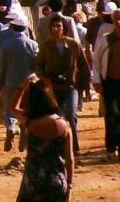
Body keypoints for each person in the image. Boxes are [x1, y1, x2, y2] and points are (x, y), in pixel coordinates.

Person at [13, 76, 74, 202]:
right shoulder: (65, 126)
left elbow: (13, 108)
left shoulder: (31, 123)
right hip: (56, 180)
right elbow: (70, 159)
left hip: (33, 181)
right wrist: (69, 185)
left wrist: (21, 88)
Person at [35, 13, 88, 155]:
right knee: (56, 116)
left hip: (71, 86)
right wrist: (44, 78)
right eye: (53, 26)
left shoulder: (73, 44)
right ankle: (58, 147)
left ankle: (74, 147)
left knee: (71, 114)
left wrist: (84, 87)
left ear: (64, 28)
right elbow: (38, 65)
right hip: (53, 87)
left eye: (58, 26)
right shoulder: (47, 46)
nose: (56, 29)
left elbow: (83, 65)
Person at [0, 11, 39, 153]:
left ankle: (10, 128)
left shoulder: (6, 44)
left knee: (9, 109)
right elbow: (36, 64)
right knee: (26, 111)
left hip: (10, 80)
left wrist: (0, 84)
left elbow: (2, 66)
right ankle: (23, 143)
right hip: (28, 82)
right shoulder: (33, 44)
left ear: (12, 27)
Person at [91, 7, 120, 160]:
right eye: (117, 19)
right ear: (112, 20)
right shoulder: (105, 39)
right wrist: (97, 81)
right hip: (110, 83)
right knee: (111, 116)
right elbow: (96, 61)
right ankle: (111, 149)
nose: (119, 21)